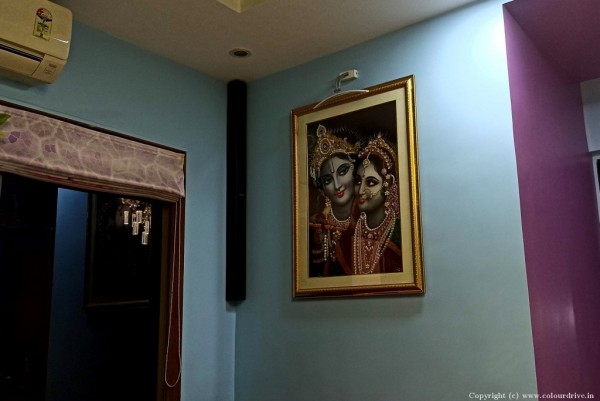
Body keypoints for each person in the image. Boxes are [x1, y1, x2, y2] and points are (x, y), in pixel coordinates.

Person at [308, 124, 359, 277]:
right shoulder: (317, 225)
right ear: (322, 189)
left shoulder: (370, 221)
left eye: (343, 171)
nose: (337, 185)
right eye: (328, 180)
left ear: (356, 172)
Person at [352, 133, 403, 274]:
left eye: (371, 183)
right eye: (358, 181)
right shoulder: (349, 232)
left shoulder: (399, 233)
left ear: (388, 185)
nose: (361, 190)